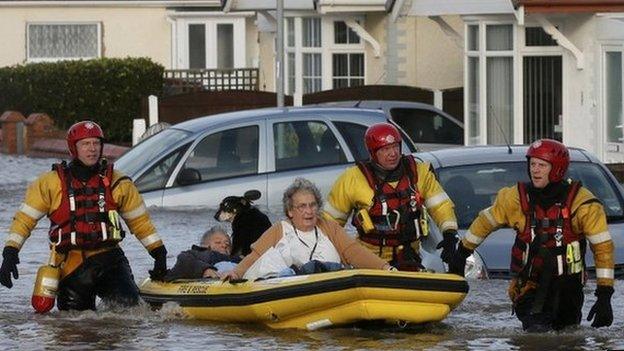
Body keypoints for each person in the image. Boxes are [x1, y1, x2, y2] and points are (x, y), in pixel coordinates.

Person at [0, 120, 168, 311]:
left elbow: (140, 223)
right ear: (74, 148)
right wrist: (10, 253)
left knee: (129, 317)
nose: (92, 149)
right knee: (74, 329)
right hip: (72, 267)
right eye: (85, 144)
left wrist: (158, 253)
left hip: (110, 261)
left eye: (96, 143)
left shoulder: (119, 183)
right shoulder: (49, 183)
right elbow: (24, 221)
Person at [449, 139, 614, 331]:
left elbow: (603, 249)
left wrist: (604, 294)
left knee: (567, 336)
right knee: (536, 335)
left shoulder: (583, 204)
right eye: (532, 164)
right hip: (528, 287)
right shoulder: (514, 199)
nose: (535, 170)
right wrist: (461, 252)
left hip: (568, 290)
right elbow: (485, 222)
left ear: (557, 169)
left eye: (542, 165)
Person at [322, 122, 459, 271]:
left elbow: (441, 206)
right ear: (373, 152)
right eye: (386, 149)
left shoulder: (420, 173)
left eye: (395, 147)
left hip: (411, 258)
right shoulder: (353, 179)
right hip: (370, 262)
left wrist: (449, 234)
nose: (393, 153)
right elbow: (330, 223)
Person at [221, 178, 393, 281]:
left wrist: (385, 268)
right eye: (302, 206)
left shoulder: (329, 227)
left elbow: (353, 251)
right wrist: (236, 273)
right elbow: (255, 256)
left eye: (312, 205)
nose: (309, 211)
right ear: (290, 211)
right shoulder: (279, 230)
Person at [164, 225, 241, 281]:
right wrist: (205, 270)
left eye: (227, 244)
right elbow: (184, 259)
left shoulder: (236, 259)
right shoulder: (204, 254)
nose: (224, 245)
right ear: (205, 245)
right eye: (218, 242)